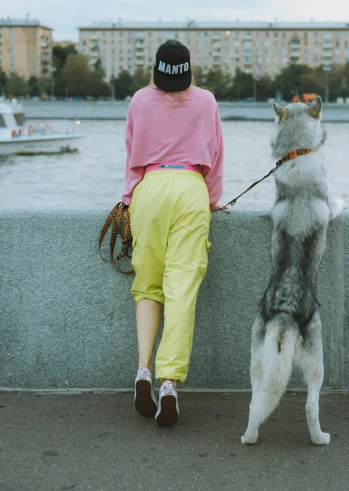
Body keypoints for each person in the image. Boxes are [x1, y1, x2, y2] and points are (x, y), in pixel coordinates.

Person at [123, 40, 224, 427]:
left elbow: (131, 158)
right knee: (181, 286)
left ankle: (143, 370)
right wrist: (212, 201)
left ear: (157, 70)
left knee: (148, 285)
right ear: (189, 71)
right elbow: (215, 159)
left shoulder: (139, 100)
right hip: (191, 187)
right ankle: (168, 384)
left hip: (149, 188)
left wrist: (129, 200)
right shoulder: (207, 102)